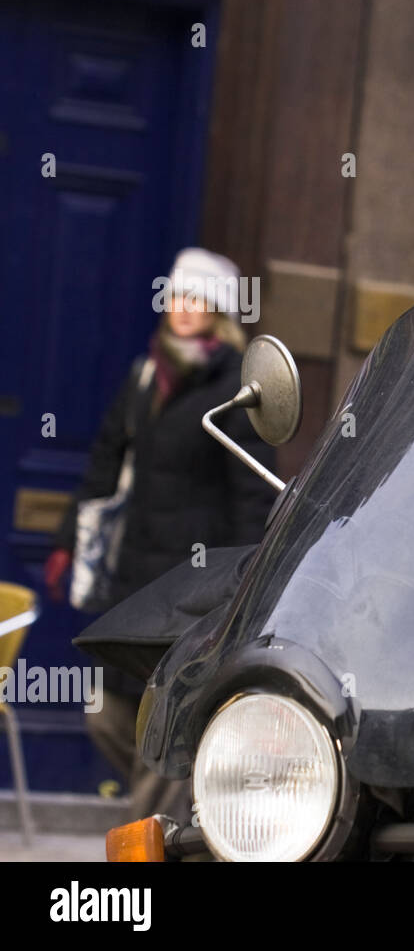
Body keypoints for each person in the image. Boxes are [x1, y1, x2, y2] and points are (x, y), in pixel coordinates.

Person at [45, 247, 275, 820]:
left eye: (197, 297)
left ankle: (149, 855)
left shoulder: (238, 388)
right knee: (105, 714)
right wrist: (68, 538)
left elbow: (252, 493)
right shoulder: (148, 373)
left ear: (220, 310)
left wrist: (244, 584)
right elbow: (105, 461)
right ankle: (188, 814)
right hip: (132, 582)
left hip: (192, 593)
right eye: (176, 294)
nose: (183, 307)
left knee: (164, 724)